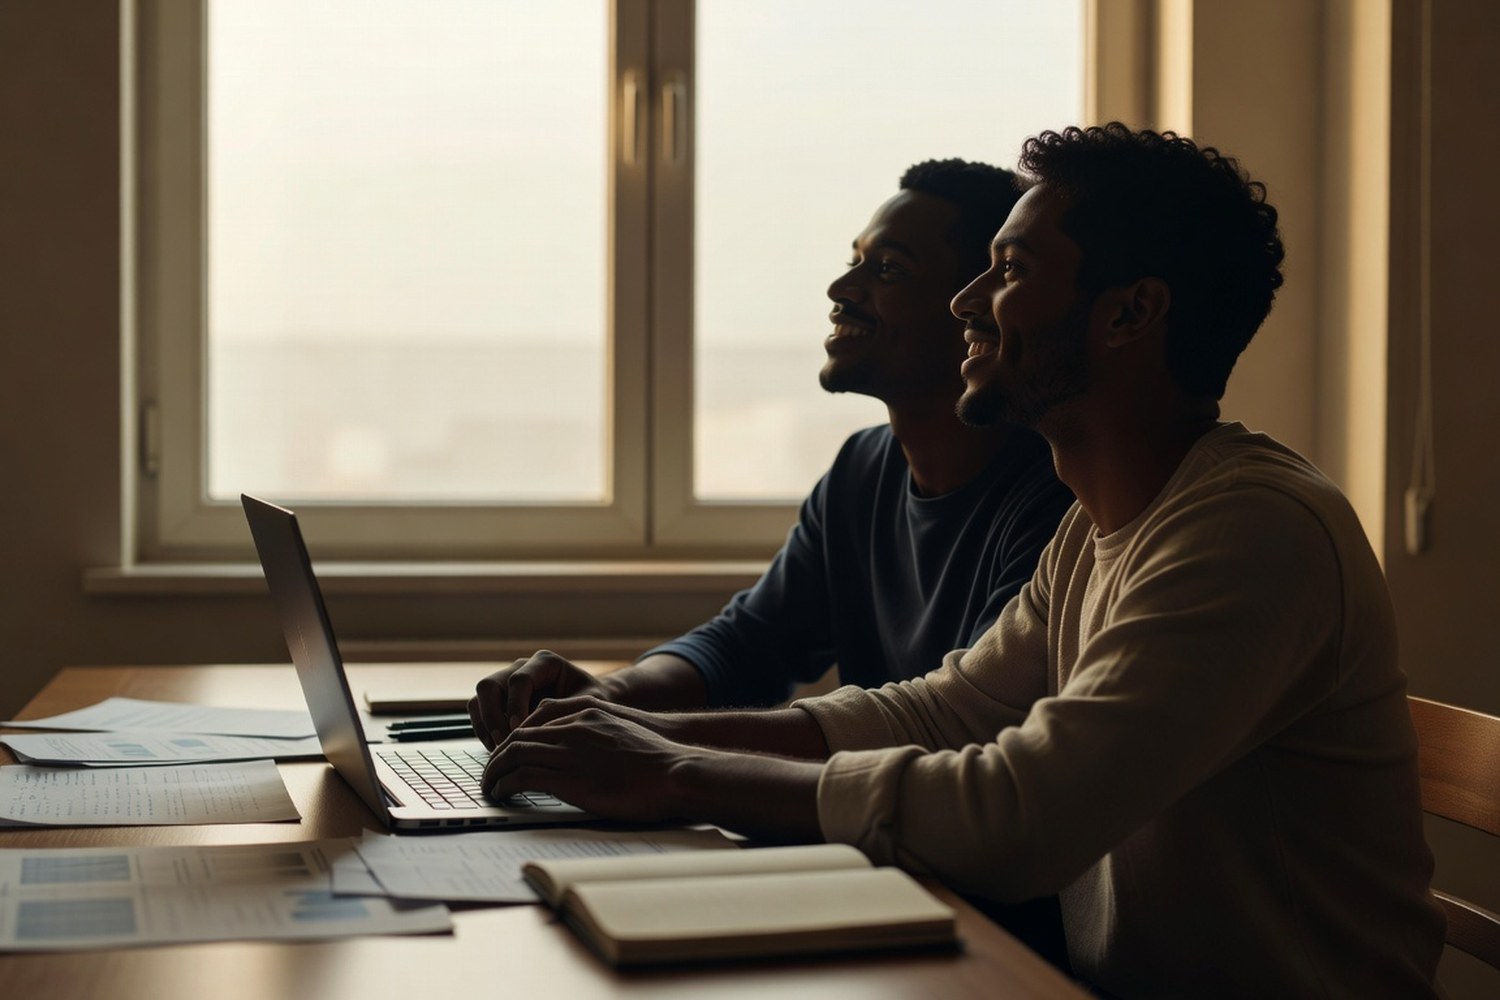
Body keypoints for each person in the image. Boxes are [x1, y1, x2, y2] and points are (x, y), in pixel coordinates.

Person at [475, 124, 1445, 997]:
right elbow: (931, 710)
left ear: (1128, 314)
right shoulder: (1102, 528)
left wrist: (680, 772)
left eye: (1011, 269)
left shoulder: (1252, 532)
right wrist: (634, 737)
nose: (969, 299)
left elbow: (1020, 814)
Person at [470, 159, 1072, 724]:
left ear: (978, 304)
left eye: (887, 269)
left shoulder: (1055, 496)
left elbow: (952, 721)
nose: (841, 288)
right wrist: (609, 694)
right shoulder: (859, 473)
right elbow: (748, 643)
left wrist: (662, 756)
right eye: (854, 260)